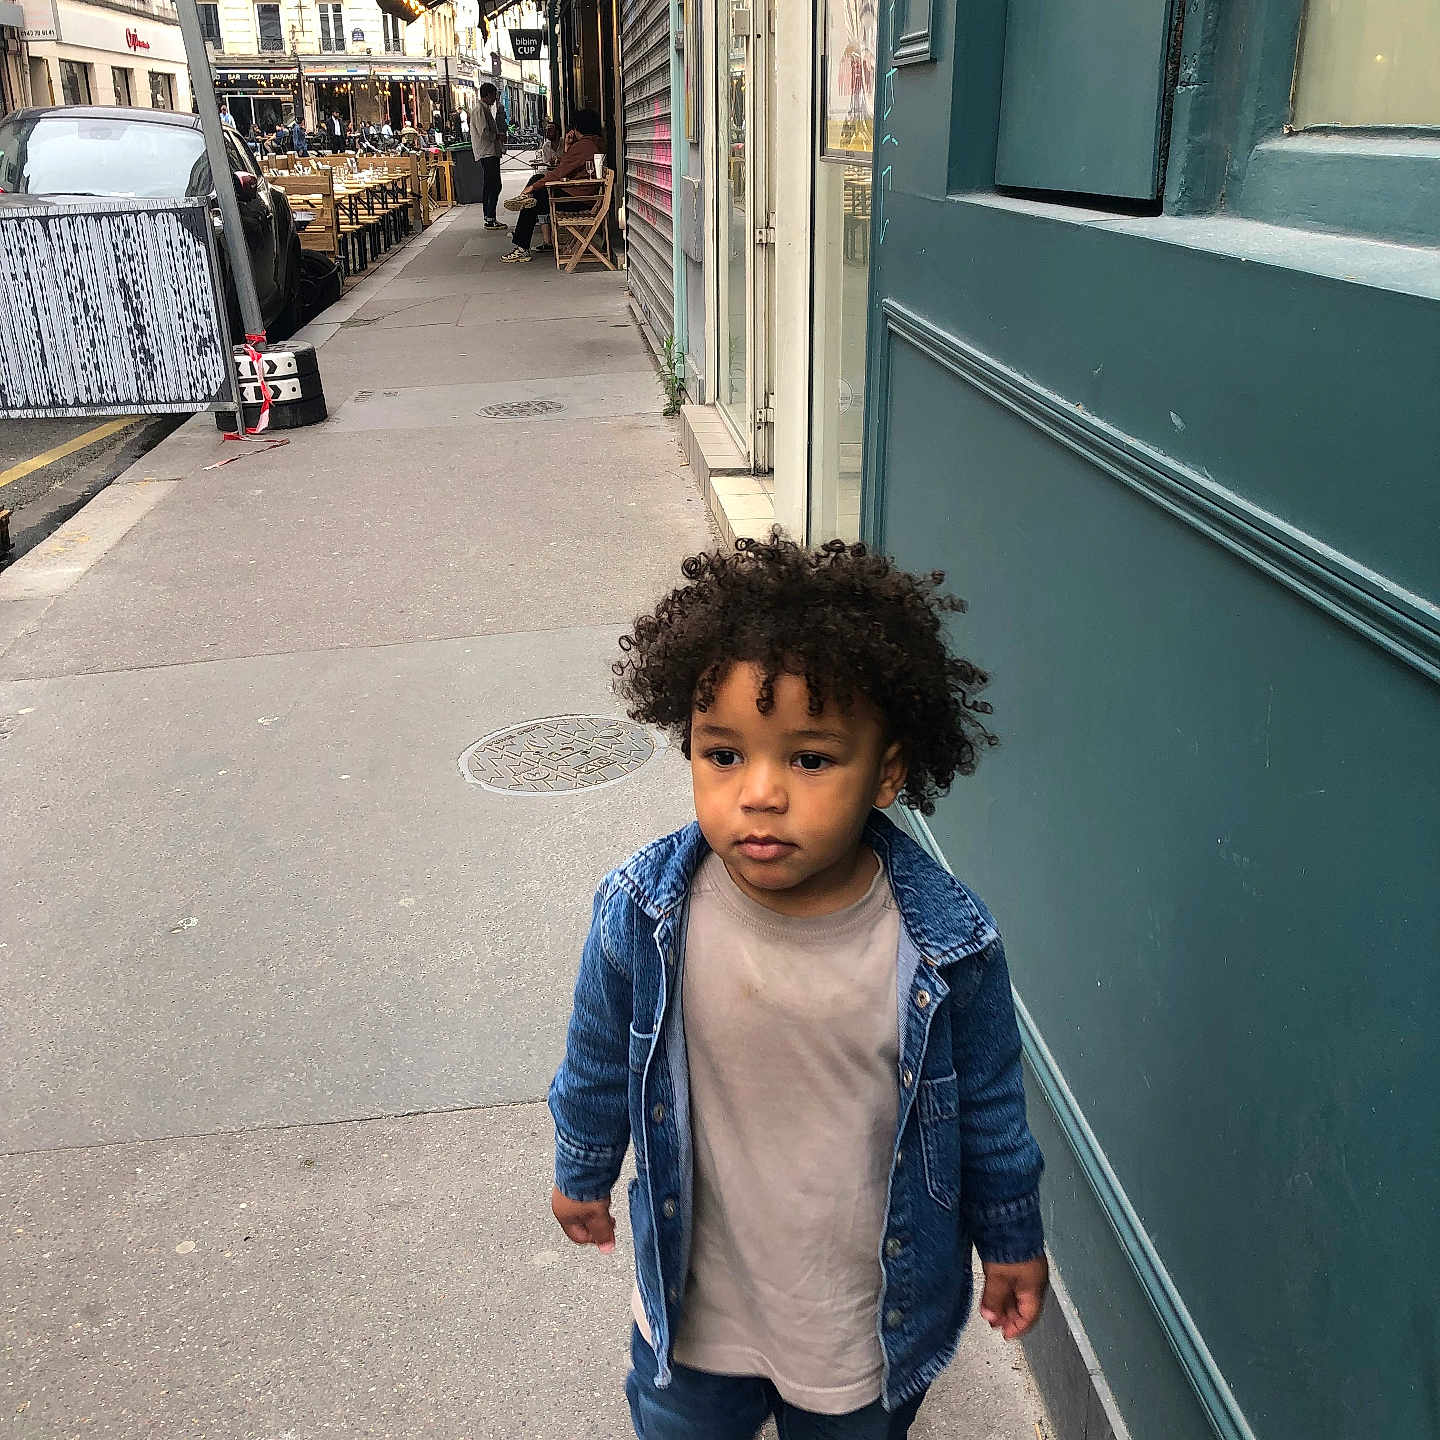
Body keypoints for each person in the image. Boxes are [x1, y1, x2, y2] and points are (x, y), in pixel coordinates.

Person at [548, 533, 1050, 1440]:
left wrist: (1011, 1237)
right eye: (724, 755)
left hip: (858, 1324)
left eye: (811, 759)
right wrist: (582, 1166)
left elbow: (987, 1106)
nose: (761, 794)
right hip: (696, 1313)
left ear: (888, 772)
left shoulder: (943, 944)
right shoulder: (647, 912)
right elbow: (595, 1054)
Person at [499, 109, 604, 262]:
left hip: (577, 199)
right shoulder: (594, 143)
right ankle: (523, 202)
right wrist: (568, 147)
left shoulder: (584, 145)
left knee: (534, 198)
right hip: (582, 195)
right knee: (537, 181)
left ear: (577, 127)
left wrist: (533, 187)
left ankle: (521, 245)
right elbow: (566, 166)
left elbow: (560, 171)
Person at [467, 82, 505, 230]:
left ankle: (489, 216)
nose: (495, 98)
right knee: (493, 185)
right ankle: (490, 217)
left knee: (491, 184)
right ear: (488, 95)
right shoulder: (480, 110)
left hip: (489, 151)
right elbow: (484, 132)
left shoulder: (484, 109)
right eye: (494, 95)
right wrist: (498, 136)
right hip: (487, 152)